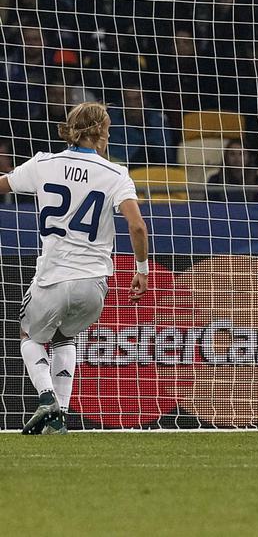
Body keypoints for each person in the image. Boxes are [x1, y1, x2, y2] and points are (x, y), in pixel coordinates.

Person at [0, 102, 150, 435]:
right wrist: (141, 269)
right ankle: (60, 418)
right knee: (65, 335)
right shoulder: (115, 174)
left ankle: (46, 397)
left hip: (52, 277)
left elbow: (4, 185)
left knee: (29, 335)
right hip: (94, 284)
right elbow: (137, 226)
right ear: (101, 132)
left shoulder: (44, 164)